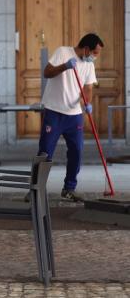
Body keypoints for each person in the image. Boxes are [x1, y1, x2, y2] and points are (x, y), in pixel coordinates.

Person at [39, 33, 103, 201]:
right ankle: (35, 189)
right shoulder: (63, 52)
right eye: (95, 53)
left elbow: (88, 88)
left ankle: (69, 188)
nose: (96, 57)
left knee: (77, 151)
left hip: (74, 115)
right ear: (87, 49)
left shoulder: (89, 65)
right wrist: (65, 67)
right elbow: (47, 72)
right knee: (45, 152)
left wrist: (86, 103)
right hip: (54, 111)